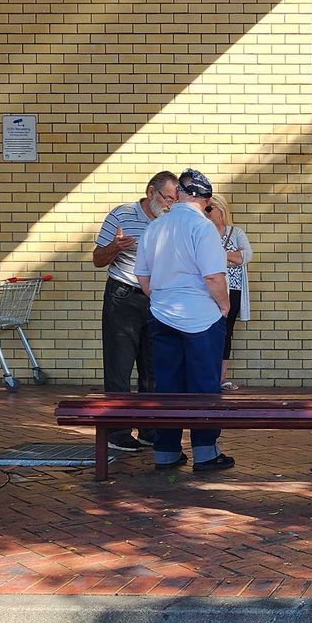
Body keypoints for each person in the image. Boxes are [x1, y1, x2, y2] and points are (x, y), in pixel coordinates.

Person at [134, 168, 233, 473]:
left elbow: (142, 276)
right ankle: (205, 452)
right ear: (205, 199)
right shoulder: (202, 229)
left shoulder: (155, 227)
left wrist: (160, 300)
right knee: (203, 385)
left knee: (168, 385)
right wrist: (224, 306)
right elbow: (214, 276)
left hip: (162, 315)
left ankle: (166, 451)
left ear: (178, 195)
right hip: (201, 317)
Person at [94, 171, 177, 452]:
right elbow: (97, 259)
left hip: (158, 299)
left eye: (175, 199)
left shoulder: (171, 221)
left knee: (153, 367)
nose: (170, 204)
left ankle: (149, 428)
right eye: (167, 197)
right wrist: (114, 247)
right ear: (151, 192)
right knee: (119, 365)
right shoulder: (122, 215)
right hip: (123, 296)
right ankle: (117, 431)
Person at [206, 194, 253, 390]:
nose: (206, 212)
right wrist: (231, 258)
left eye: (210, 209)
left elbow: (246, 255)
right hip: (210, 289)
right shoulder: (203, 232)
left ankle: (221, 378)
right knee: (208, 330)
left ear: (221, 210)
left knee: (226, 332)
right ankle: (208, 375)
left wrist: (220, 256)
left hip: (232, 288)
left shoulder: (236, 233)